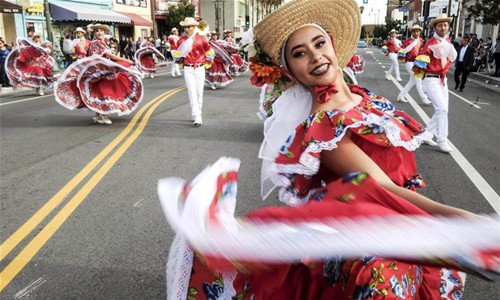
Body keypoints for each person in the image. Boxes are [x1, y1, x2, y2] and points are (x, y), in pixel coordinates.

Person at [159, 1, 498, 299]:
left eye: (319, 44)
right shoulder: (323, 127)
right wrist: (465, 223)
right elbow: (386, 190)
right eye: (299, 53)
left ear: (333, 46)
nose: (315, 56)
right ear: (290, 71)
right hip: (374, 240)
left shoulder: (366, 98)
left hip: (398, 224)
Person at [54, 23, 143, 125]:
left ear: (104, 32)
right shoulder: (97, 43)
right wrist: (126, 60)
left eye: (101, 30)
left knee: (99, 92)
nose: (99, 32)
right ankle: (104, 115)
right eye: (97, 31)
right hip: (100, 71)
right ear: (94, 33)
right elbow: (110, 55)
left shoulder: (99, 42)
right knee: (105, 91)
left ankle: (97, 115)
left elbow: (107, 56)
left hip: (102, 70)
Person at [417, 14, 457, 153]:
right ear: (435, 27)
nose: (443, 27)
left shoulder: (448, 41)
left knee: (442, 110)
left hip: (442, 79)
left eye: (445, 25)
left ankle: (425, 135)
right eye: (440, 25)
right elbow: (420, 61)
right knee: (442, 109)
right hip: (430, 79)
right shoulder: (431, 43)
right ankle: (442, 140)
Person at [173, 17, 214, 126]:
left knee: (199, 92)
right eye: (185, 27)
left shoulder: (202, 39)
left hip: (200, 68)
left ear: (194, 27)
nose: (187, 29)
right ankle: (197, 115)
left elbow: (209, 52)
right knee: (192, 92)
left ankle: (198, 111)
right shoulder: (181, 40)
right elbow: (178, 54)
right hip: (188, 68)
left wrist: (208, 62)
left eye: (189, 27)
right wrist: (180, 62)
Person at [397, 24, 431, 105]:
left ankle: (401, 95)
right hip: (409, 63)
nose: (416, 33)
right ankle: (424, 98)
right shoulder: (407, 41)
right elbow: (402, 51)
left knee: (412, 82)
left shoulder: (421, 41)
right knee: (418, 80)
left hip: (417, 63)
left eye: (418, 31)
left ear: (420, 32)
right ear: (411, 32)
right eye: (414, 32)